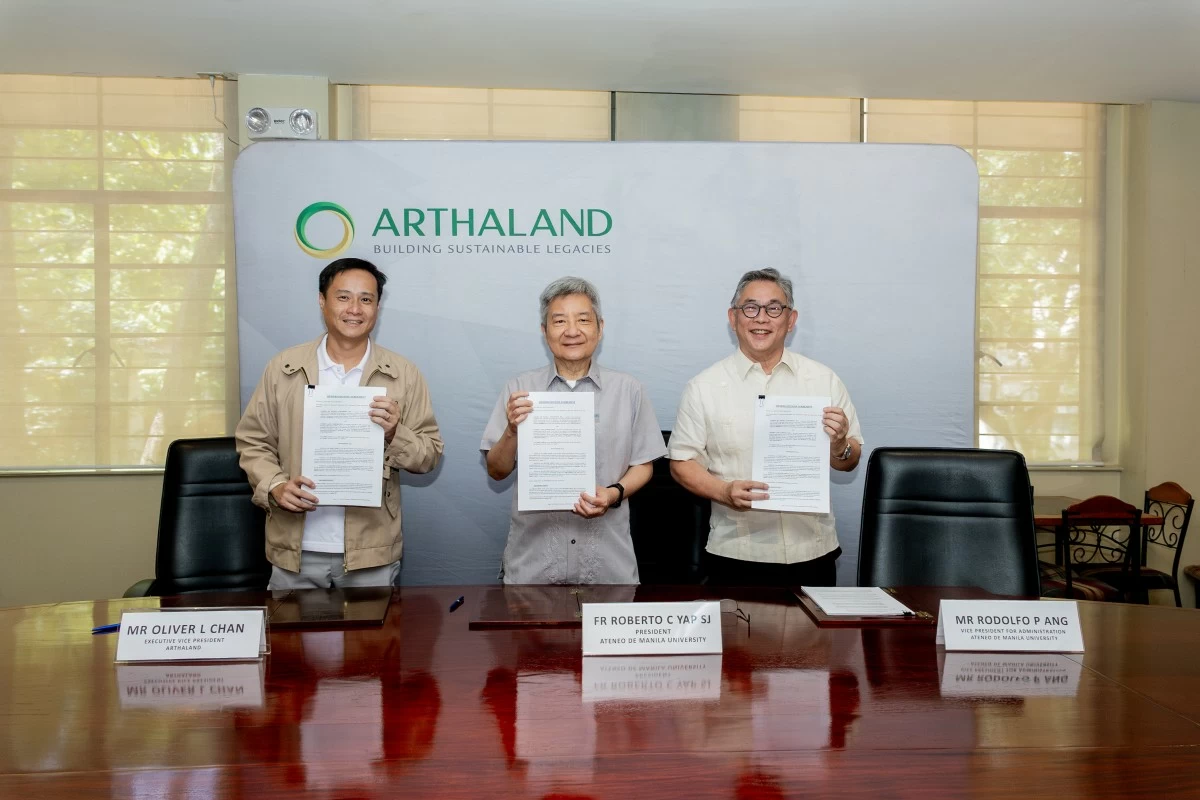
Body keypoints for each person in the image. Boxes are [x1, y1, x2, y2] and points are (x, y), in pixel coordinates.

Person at [236, 257, 443, 589]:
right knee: (291, 627)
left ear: (377, 307)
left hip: (371, 551)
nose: (355, 309)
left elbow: (429, 455)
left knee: (372, 627)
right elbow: (253, 441)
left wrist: (395, 433)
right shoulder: (284, 367)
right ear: (322, 301)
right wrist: (275, 485)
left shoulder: (403, 374)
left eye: (366, 299)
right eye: (343, 297)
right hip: (294, 548)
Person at [668, 267, 864, 587]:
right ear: (733, 318)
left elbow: (849, 460)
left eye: (774, 308)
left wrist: (839, 443)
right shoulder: (703, 387)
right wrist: (723, 492)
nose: (761, 318)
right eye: (750, 308)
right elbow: (681, 463)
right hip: (737, 554)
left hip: (812, 551)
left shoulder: (823, 380)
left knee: (814, 625)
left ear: (791, 319)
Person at [481, 276, 666, 584]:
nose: (571, 331)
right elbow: (496, 471)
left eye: (583, 319)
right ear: (544, 331)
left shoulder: (628, 389)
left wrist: (613, 493)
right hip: (533, 567)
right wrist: (512, 430)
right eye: (559, 321)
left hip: (608, 566)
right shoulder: (519, 389)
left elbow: (643, 465)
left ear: (600, 328)